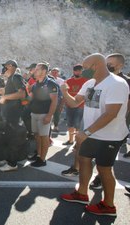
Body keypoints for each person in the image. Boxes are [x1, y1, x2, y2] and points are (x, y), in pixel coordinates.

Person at [60, 53, 128, 217]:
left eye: (85, 68)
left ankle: (109, 205)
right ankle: (82, 194)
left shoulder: (117, 84)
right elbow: (75, 102)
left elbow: (111, 114)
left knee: (104, 168)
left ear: (97, 66)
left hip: (109, 136)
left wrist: (86, 132)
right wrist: (64, 91)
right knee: (83, 160)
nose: (83, 71)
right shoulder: (90, 82)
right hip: (90, 134)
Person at [88, 53, 130, 190]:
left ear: (120, 65)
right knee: (94, 156)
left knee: (105, 161)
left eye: (110, 64)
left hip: (115, 125)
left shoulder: (125, 81)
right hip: (98, 124)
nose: (107, 66)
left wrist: (121, 118)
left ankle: (100, 179)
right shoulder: (101, 78)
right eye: (106, 63)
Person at [0, 60, 27, 172]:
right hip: (9, 114)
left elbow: (22, 93)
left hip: (14, 114)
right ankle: (8, 160)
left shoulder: (16, 76)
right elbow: (4, 90)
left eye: (5, 67)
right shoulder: (11, 79)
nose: (4, 70)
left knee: (13, 139)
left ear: (11, 66)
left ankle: (12, 164)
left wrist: (5, 98)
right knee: (8, 137)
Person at [28, 62, 58, 167]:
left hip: (44, 114)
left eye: (37, 69)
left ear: (44, 71)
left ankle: (42, 159)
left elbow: (54, 101)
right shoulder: (36, 84)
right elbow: (29, 99)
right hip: (34, 113)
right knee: (37, 136)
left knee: (44, 137)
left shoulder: (51, 83)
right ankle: (38, 155)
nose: (34, 71)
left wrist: (49, 115)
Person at [60, 64, 88, 177]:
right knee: (70, 123)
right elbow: (64, 93)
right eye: (75, 70)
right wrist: (62, 104)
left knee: (77, 125)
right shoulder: (69, 80)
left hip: (80, 106)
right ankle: (71, 140)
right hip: (69, 105)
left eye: (79, 70)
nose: (77, 72)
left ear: (82, 71)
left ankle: (77, 142)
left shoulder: (86, 81)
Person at [50, 68, 65, 132]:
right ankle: (49, 126)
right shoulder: (48, 80)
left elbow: (63, 91)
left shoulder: (62, 81)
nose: (54, 73)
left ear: (58, 73)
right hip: (48, 99)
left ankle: (56, 126)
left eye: (56, 72)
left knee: (57, 114)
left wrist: (62, 103)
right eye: (53, 72)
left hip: (58, 99)